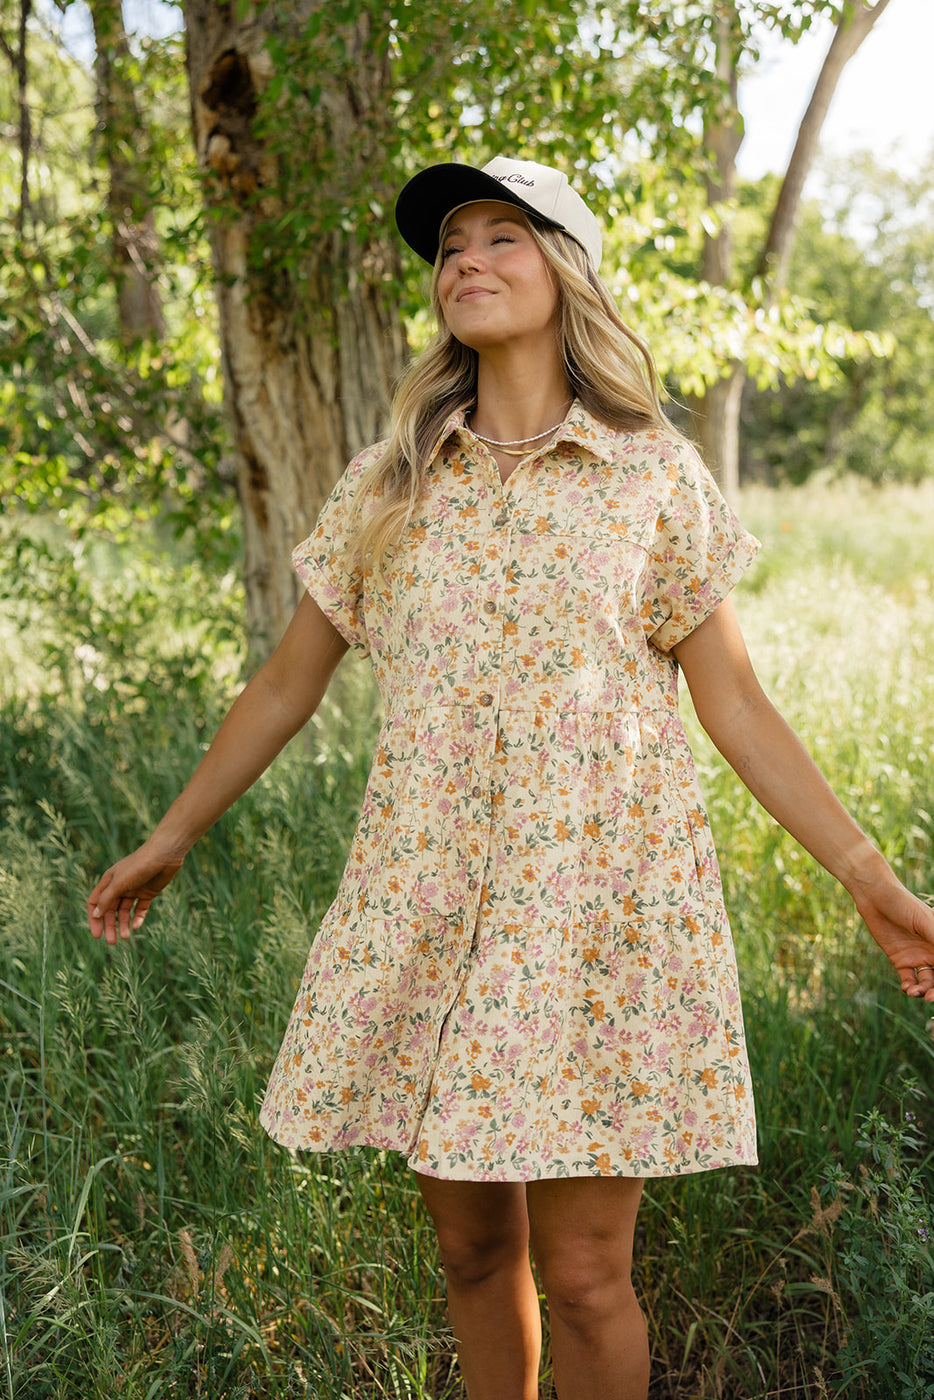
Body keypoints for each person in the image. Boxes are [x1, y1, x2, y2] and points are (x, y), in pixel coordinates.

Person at [88, 155, 934, 1400]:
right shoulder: (393, 484)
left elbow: (736, 701)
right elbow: (284, 684)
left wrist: (870, 878)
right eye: (449, 249)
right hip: (428, 900)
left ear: (568, 273)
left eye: (504, 238)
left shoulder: (650, 476)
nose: (466, 262)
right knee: (473, 1248)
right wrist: (171, 833)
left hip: (594, 914)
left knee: (585, 1272)